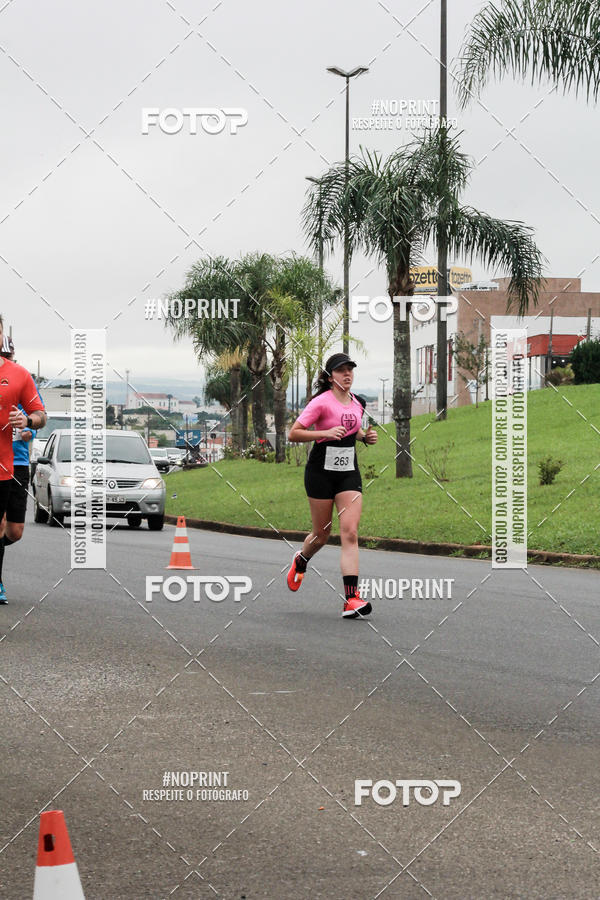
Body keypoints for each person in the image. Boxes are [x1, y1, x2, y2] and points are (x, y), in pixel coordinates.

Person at [287, 352, 378, 618]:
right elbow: (294, 433)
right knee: (322, 534)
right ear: (330, 377)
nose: (347, 374)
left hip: (348, 473)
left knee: (349, 532)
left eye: (350, 370)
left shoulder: (358, 402)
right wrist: (324, 433)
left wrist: (364, 437)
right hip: (320, 472)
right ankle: (301, 559)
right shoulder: (321, 403)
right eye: (341, 371)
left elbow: (354, 430)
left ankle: (352, 600)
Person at [0, 320, 47, 604]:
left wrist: (27, 425)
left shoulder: (19, 379)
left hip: (16, 462)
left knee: (14, 531)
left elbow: (39, 416)